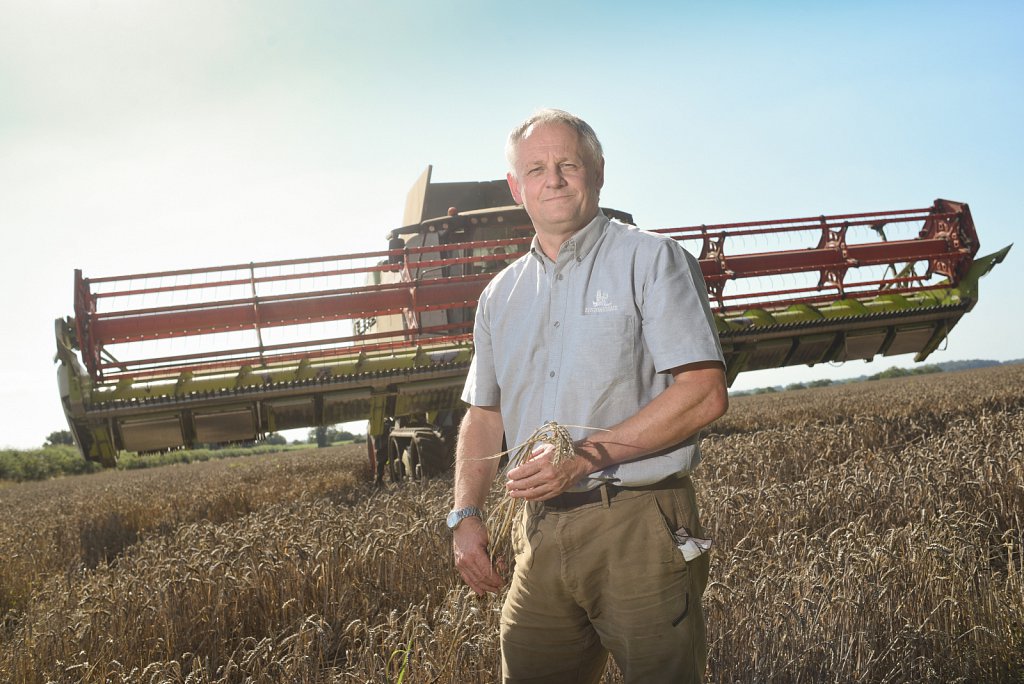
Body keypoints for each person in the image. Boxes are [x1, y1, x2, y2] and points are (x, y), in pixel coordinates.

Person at [449, 108, 728, 684]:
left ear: (597, 171)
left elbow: (703, 395)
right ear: (515, 187)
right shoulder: (499, 296)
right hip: (538, 532)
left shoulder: (653, 260)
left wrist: (585, 457)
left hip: (636, 526)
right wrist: (465, 514)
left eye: (567, 164)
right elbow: (484, 413)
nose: (552, 179)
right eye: (535, 168)